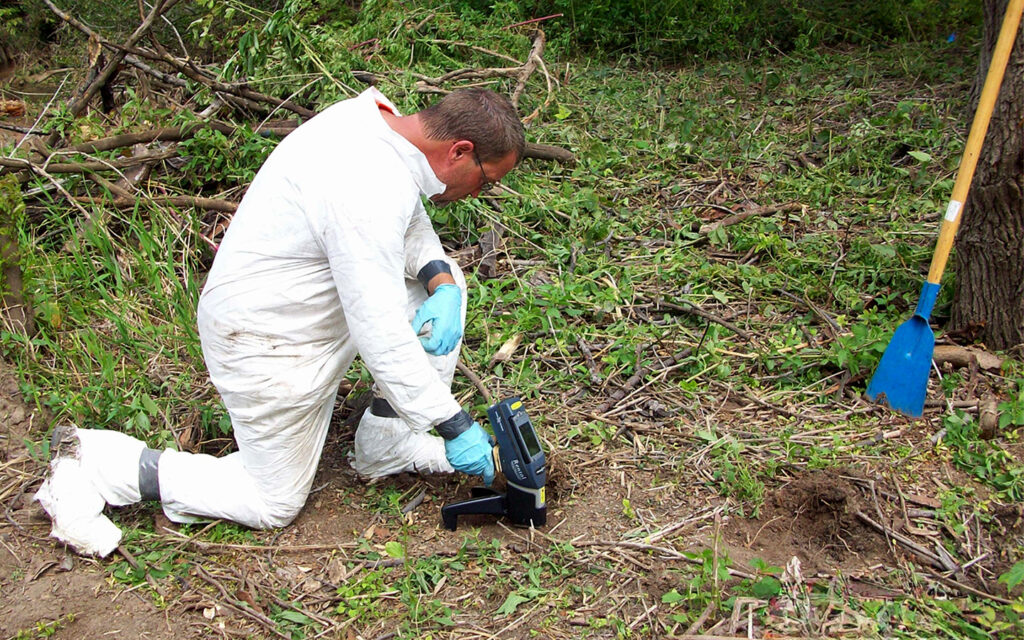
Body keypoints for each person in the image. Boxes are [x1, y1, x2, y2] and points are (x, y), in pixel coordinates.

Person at [34, 87, 526, 556]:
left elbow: (408, 220)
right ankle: (99, 464)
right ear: (459, 151)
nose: (481, 192)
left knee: (442, 283)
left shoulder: (380, 128)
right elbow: (379, 327)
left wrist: (440, 282)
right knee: (272, 500)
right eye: (488, 180)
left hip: (305, 308)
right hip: (265, 339)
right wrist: (452, 423)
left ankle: (385, 447)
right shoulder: (366, 182)